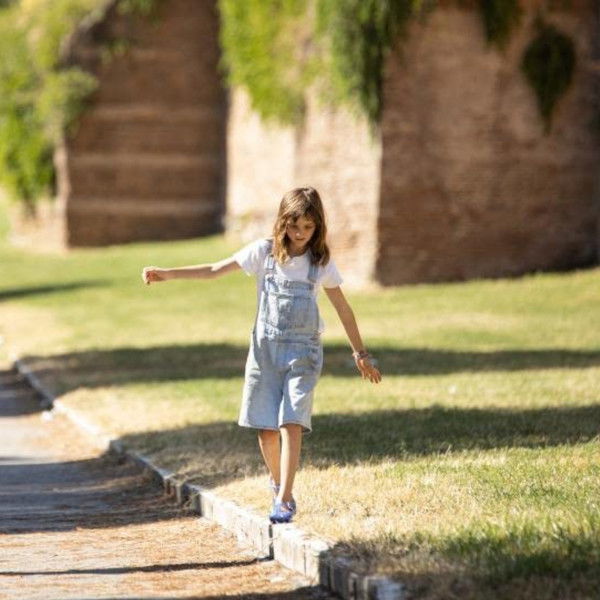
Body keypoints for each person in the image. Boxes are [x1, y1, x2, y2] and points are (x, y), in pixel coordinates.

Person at [142, 186, 381, 524]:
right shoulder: (263, 253)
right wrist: (168, 273)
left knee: (290, 421)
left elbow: (343, 308)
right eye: (294, 225)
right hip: (264, 353)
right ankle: (277, 482)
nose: (300, 234)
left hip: (303, 354)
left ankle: (285, 499)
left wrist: (361, 353)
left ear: (318, 227)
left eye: (308, 227)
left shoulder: (320, 263)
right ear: (282, 222)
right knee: (266, 430)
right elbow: (214, 269)